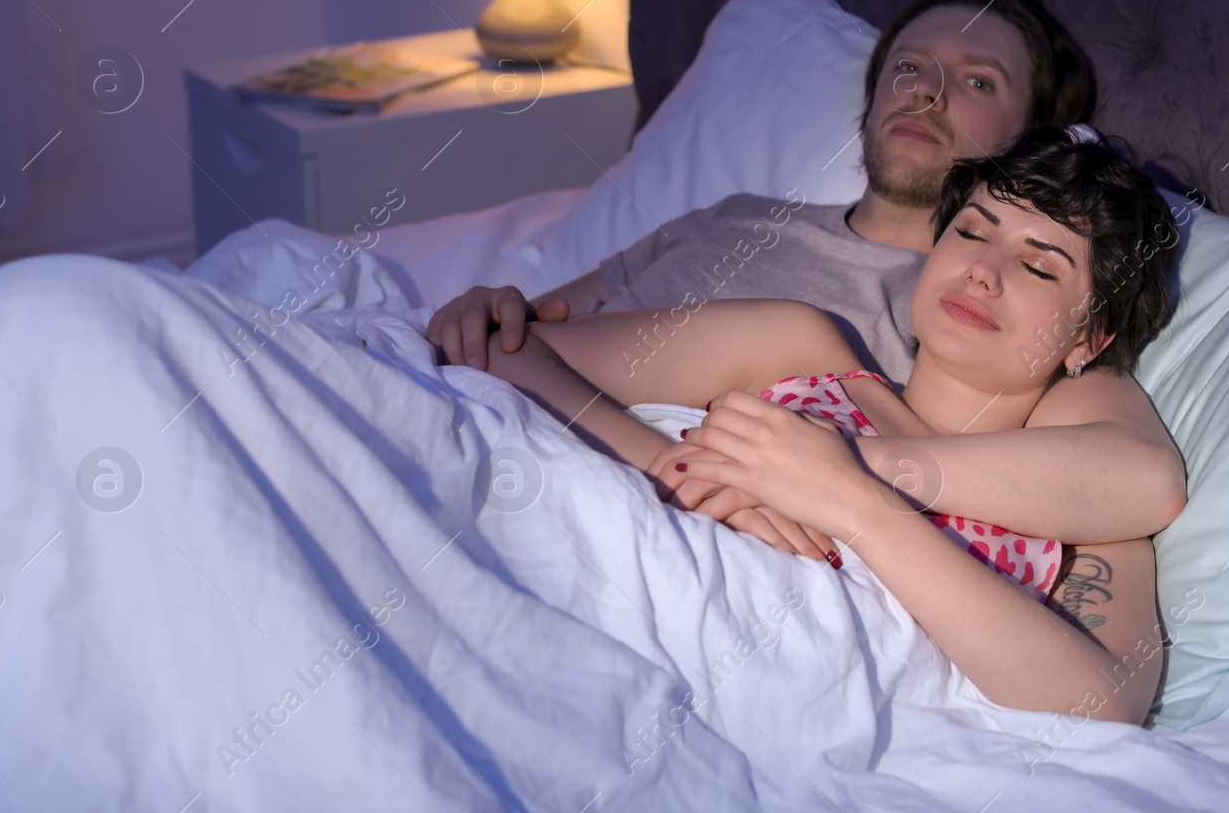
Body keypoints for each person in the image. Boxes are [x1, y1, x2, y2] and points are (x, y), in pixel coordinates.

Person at [429, 0, 1186, 561]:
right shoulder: (733, 214)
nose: (927, 91)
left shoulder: (963, 323)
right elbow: (524, 331)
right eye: (909, 69)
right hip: (495, 399)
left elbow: (1126, 470)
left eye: (978, 81)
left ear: (1036, 144)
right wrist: (484, 312)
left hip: (628, 499)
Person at [481, 128, 1179, 724]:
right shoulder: (802, 347)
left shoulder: (1075, 511)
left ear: (1090, 340)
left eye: (1037, 266)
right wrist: (672, 467)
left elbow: (1102, 707)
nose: (983, 273)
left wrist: (847, 496)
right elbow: (504, 350)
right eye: (970, 231)